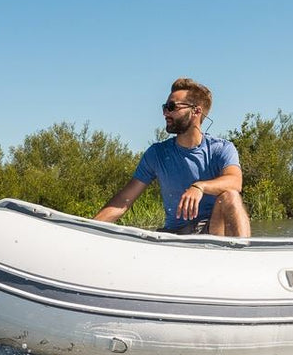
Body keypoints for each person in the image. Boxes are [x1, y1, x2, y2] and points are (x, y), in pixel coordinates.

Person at [95, 77, 251, 236]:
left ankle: (243, 254)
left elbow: (235, 181)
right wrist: (90, 229)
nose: (165, 113)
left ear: (196, 111)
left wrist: (200, 186)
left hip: (213, 230)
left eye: (171, 107)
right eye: (164, 107)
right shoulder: (156, 153)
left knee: (230, 195)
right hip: (175, 234)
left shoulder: (222, 148)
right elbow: (124, 200)